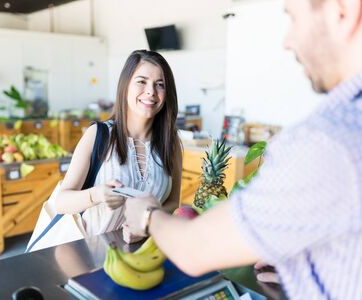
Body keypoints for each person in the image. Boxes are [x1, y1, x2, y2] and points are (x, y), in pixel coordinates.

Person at [124, 0, 362, 298]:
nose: (288, 42)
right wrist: (308, 265)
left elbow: (195, 250)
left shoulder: (327, 141)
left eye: (294, 18)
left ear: (343, 10)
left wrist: (147, 216)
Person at [54, 50, 182, 243]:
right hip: (88, 254)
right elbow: (61, 202)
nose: (151, 92)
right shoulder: (98, 135)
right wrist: (96, 194)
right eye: (142, 81)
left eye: (160, 85)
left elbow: (173, 201)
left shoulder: (170, 143)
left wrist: (147, 223)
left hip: (142, 253)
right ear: (126, 86)